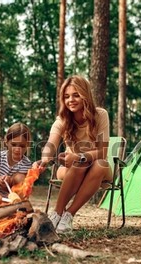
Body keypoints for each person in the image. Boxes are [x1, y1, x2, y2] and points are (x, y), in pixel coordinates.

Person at [35, 75, 111, 234]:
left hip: (97, 168)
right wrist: (44, 159)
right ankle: (57, 214)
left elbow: (102, 152)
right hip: (70, 169)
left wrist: (78, 156)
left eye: (76, 95)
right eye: (67, 96)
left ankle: (68, 214)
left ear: (85, 95)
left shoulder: (100, 115)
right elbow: (51, 143)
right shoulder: (63, 119)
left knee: (99, 163)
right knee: (78, 164)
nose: (71, 100)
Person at [0, 122, 32, 209]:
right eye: (14, 144)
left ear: (27, 146)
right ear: (6, 142)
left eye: (22, 146)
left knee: (20, 178)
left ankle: (18, 207)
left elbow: (24, 189)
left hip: (15, 198)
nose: (17, 149)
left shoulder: (26, 164)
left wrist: (10, 181)